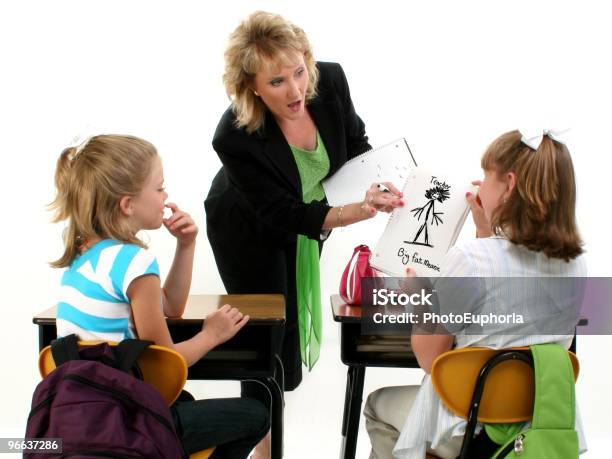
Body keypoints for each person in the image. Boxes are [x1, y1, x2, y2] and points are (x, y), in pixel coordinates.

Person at [204, 11, 404, 457]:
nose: (296, 89)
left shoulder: (328, 81)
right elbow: (283, 213)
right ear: (250, 86)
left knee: (289, 337)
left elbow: (354, 142)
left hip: (306, 215)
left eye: (299, 71)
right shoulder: (233, 136)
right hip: (248, 229)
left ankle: (267, 440)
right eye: (277, 82)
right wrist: (356, 210)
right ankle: (263, 451)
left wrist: (374, 183)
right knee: (265, 338)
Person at [364, 129, 587, 458]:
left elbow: (430, 360)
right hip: (537, 422)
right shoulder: (577, 265)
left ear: (509, 185)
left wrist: (420, 298)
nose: (479, 187)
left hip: (467, 426)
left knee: (376, 406)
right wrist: (486, 233)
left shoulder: (471, 259)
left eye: (487, 177)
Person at [49, 134, 269, 459]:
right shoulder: (134, 262)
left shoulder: (82, 257)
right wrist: (212, 335)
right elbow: (167, 364)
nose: (166, 197)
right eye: (159, 187)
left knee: (186, 402)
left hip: (83, 417)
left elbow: (171, 307)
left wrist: (186, 244)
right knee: (256, 415)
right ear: (127, 204)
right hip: (125, 420)